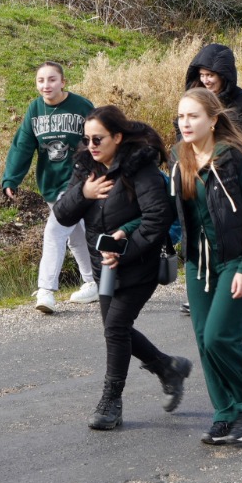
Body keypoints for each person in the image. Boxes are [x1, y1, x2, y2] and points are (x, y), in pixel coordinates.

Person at [53, 106, 189, 432]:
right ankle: (168, 367)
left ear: (117, 137)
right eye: (86, 140)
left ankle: (110, 403)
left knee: (115, 328)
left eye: (97, 139)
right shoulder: (86, 167)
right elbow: (62, 215)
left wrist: (124, 250)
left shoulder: (138, 167)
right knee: (117, 332)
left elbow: (157, 218)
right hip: (104, 267)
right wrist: (83, 193)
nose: (91, 146)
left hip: (138, 266)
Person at [171, 88, 242, 446]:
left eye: (193, 116)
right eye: (181, 116)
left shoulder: (232, 158)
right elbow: (178, 214)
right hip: (199, 263)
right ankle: (225, 412)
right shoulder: (178, 158)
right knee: (203, 340)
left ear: (213, 120)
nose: (185, 123)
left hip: (234, 259)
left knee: (219, 336)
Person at [3, 61, 97, 313]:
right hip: (50, 181)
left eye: (52, 79)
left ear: (63, 82)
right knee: (75, 236)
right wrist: (11, 178)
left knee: (54, 231)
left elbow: (99, 136)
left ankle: (46, 290)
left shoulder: (82, 106)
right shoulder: (35, 109)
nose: (46, 85)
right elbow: (23, 145)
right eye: (41, 80)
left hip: (78, 180)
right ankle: (93, 281)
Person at [184, 43, 242, 140]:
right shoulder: (194, 101)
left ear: (223, 76)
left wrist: (229, 152)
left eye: (210, 75)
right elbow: (182, 132)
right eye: (202, 75)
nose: (205, 81)